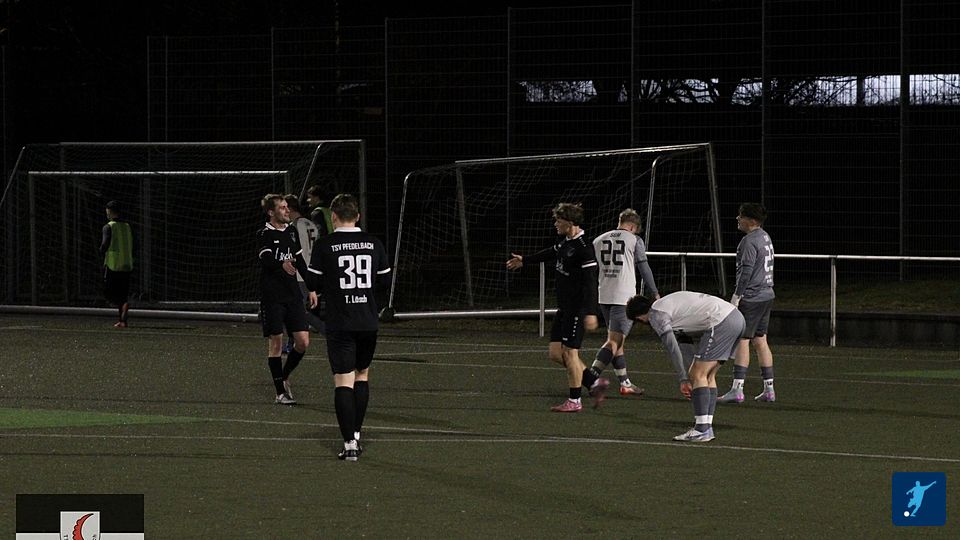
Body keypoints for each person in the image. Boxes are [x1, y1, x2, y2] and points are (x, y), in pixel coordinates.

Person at [308, 193, 391, 461]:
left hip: (340, 321)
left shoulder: (325, 245)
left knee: (343, 380)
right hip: (367, 320)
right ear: (358, 216)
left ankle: (349, 444)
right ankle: (356, 433)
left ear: (333, 217)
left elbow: (313, 282)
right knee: (362, 374)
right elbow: (384, 281)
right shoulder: (373, 243)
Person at [505, 203, 606, 413]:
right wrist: (525, 260)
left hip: (577, 309)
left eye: (558, 221)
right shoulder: (566, 242)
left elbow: (590, 283)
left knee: (570, 354)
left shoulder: (584, 248)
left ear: (570, 222)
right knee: (555, 353)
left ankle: (575, 400)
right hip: (564, 308)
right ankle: (593, 382)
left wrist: (591, 312)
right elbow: (551, 252)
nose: (555, 224)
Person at [626, 291, 745, 442]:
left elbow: (673, 348)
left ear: (638, 317)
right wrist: (691, 372)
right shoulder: (667, 307)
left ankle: (702, 430)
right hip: (736, 318)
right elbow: (685, 344)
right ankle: (706, 426)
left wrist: (684, 379)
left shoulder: (655, 315)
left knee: (699, 374)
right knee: (707, 376)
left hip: (722, 321)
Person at [589, 208, 661, 397]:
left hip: (604, 295)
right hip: (623, 298)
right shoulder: (634, 240)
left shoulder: (598, 240)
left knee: (616, 340)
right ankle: (589, 378)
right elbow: (644, 267)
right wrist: (654, 292)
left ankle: (625, 383)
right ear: (633, 226)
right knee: (614, 341)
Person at [257, 194, 318, 405]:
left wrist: (311, 288)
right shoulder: (264, 233)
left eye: (287, 207)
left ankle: (283, 376)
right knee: (276, 343)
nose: (287, 210)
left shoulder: (292, 231)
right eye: (282, 208)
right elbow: (265, 258)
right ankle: (280, 393)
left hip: (292, 295)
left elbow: (300, 260)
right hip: (272, 296)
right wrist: (280, 264)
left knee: (303, 342)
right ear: (271, 212)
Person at [719, 203, 777, 404]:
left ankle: (737, 389)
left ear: (751, 220)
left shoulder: (749, 241)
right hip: (767, 294)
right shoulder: (765, 236)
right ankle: (769, 389)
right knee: (760, 340)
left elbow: (746, 272)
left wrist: (737, 296)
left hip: (752, 297)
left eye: (741, 215)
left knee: (743, 340)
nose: (737, 218)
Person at [283, 194, 326, 342]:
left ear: (289, 209)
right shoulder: (310, 224)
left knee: (296, 310)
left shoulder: (293, 227)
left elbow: (293, 252)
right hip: (311, 271)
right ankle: (292, 341)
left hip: (299, 274)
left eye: (284, 208)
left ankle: (327, 331)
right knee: (295, 309)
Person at [100, 200, 134, 328]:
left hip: (113, 265)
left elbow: (105, 243)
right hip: (127, 264)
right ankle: (122, 320)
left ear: (109, 211)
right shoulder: (127, 226)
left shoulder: (108, 227)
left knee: (108, 292)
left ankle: (121, 304)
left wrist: (101, 252)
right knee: (123, 293)